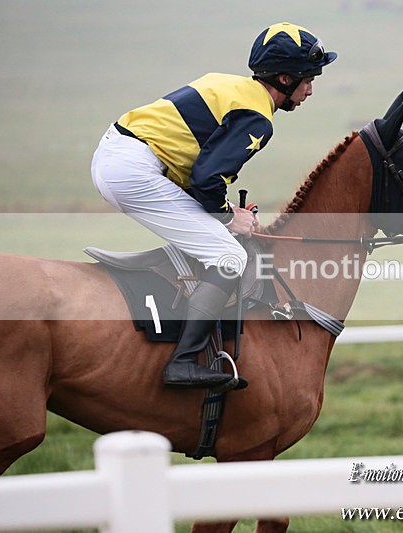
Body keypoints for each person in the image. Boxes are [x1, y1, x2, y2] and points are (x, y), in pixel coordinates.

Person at [91, 22, 337, 389]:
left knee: (216, 232)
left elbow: (201, 174)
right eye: (308, 79)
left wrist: (226, 213)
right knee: (229, 256)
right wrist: (228, 217)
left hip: (120, 155)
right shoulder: (257, 117)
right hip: (133, 170)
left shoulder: (232, 86)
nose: (310, 90)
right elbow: (206, 179)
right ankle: (183, 362)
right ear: (285, 79)